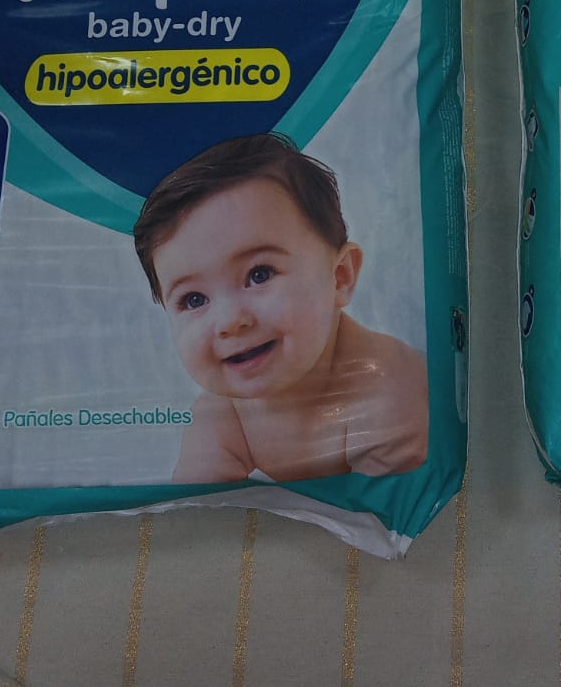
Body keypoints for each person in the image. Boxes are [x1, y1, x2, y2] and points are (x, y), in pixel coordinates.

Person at [134, 134, 429, 483]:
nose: (230, 321)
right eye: (194, 299)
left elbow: (392, 508)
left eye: (259, 274)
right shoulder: (224, 411)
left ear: (339, 277)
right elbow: (197, 506)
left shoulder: (387, 393)